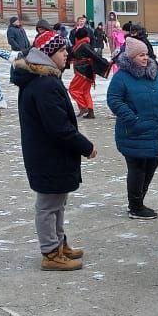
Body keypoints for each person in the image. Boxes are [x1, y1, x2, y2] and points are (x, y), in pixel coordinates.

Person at [10, 31, 96, 271]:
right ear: (48, 54)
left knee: (57, 203)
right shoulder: (44, 84)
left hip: (50, 154)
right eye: (61, 50)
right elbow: (58, 127)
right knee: (48, 206)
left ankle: (59, 244)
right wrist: (85, 146)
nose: (66, 53)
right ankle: (50, 252)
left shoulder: (45, 79)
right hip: (48, 155)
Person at [106, 38, 158, 221]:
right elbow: (114, 99)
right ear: (132, 57)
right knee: (138, 168)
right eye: (141, 55)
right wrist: (132, 119)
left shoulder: (154, 73)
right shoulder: (122, 77)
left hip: (156, 129)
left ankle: (139, 202)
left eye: (146, 54)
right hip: (134, 132)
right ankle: (135, 206)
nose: (145, 58)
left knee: (151, 166)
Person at [67, 26, 110, 119]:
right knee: (85, 92)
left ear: (77, 37)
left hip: (83, 71)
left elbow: (95, 55)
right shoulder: (83, 44)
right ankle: (90, 112)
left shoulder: (83, 45)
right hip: (87, 71)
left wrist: (105, 62)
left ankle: (83, 107)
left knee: (73, 89)